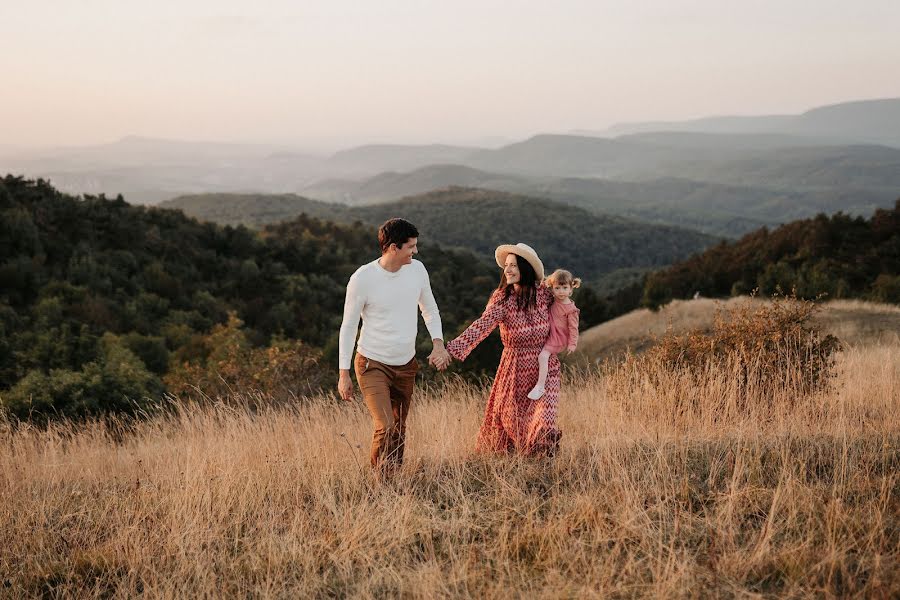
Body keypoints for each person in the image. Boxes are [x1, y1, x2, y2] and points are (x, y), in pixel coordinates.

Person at [338, 218, 450, 474]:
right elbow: (348, 327)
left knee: (399, 427)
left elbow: (429, 308)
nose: (416, 251)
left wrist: (438, 343)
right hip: (372, 363)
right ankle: (379, 481)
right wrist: (344, 374)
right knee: (385, 425)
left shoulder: (418, 270)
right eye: (411, 246)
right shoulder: (362, 279)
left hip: (406, 364)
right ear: (393, 247)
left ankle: (394, 477)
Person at [445, 243, 562, 456]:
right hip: (514, 369)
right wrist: (452, 350)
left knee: (545, 417)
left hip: (546, 367)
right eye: (506, 265)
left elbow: (565, 303)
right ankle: (529, 462)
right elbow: (482, 326)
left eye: (513, 266)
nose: (507, 270)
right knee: (514, 423)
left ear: (526, 269)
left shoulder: (544, 295)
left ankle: (546, 453)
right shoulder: (502, 299)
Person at [527, 269, 581, 400]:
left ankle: (540, 386)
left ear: (571, 289)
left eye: (564, 288)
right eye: (557, 288)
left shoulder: (571, 310)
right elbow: (544, 286)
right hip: (551, 334)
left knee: (543, 356)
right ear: (553, 289)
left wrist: (572, 344)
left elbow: (574, 328)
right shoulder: (553, 299)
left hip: (558, 338)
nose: (561, 291)